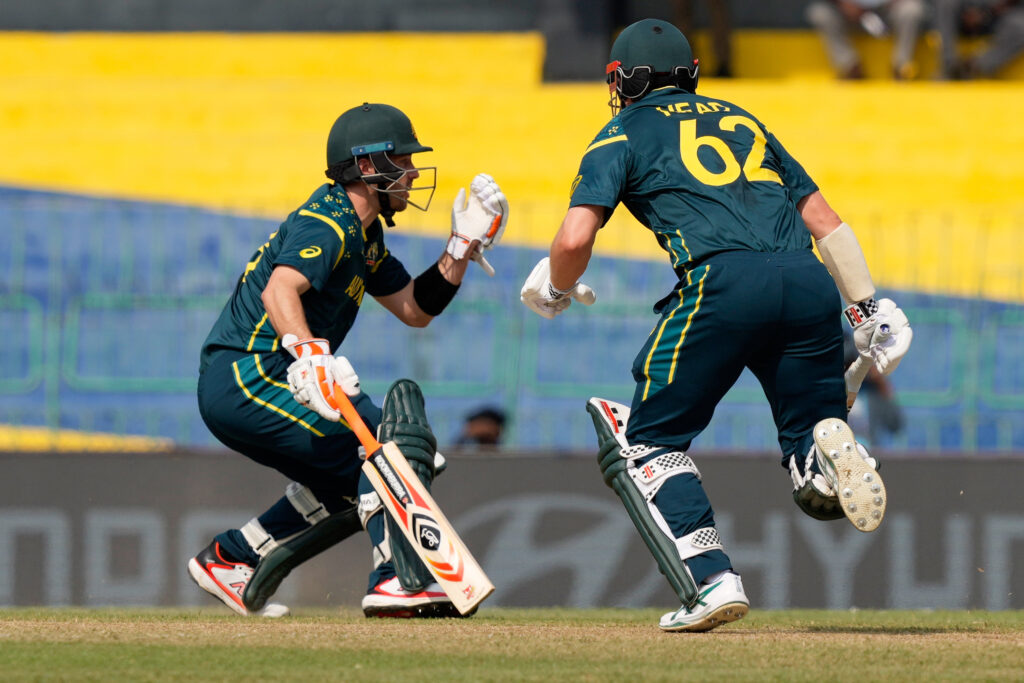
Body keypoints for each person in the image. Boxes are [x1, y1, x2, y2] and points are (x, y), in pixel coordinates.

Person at [520, 18, 912, 632]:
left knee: (648, 443)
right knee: (809, 454)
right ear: (692, 75)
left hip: (722, 285)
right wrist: (866, 310)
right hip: (807, 283)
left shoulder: (620, 131)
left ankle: (711, 579)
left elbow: (575, 237)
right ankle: (827, 457)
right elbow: (825, 219)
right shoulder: (742, 119)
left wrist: (557, 287)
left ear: (627, 79)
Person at [187, 102, 508, 618]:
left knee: (355, 479)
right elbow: (279, 291)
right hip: (246, 376)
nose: (410, 174)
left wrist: (460, 247)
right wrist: (312, 356)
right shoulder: (328, 220)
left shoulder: (366, 235)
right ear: (367, 167)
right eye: (402, 161)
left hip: (271, 377)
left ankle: (233, 558)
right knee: (384, 451)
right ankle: (394, 580)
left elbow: (414, 307)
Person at [805, 0, 927, 79]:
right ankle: (849, 65)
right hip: (848, 12)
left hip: (889, 10)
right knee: (820, 13)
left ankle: (901, 66)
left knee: (912, 9)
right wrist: (843, 3)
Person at [935, 0, 1024, 79]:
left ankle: (972, 67)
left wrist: (986, 13)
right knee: (945, 3)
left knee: (1020, 27)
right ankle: (950, 66)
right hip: (964, 12)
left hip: (1000, 14)